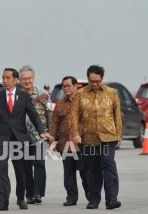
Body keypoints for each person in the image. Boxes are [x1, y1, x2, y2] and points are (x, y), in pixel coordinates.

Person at [0, 68, 54, 211]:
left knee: (20, 171)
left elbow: (34, 116)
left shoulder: (24, 97)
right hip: (3, 138)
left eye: (8, 78)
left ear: (15, 80)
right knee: (2, 168)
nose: (5, 81)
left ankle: (21, 198)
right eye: (3, 78)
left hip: (19, 139)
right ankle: (4, 202)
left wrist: (42, 132)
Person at [70, 65, 122, 210]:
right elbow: (73, 116)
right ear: (88, 78)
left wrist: (119, 136)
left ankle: (111, 200)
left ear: (102, 79)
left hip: (108, 137)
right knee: (92, 169)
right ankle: (93, 199)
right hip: (88, 138)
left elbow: (117, 115)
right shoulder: (80, 94)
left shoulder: (111, 93)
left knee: (108, 164)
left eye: (97, 81)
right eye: (92, 81)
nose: (95, 84)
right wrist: (75, 134)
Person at [49, 76, 89, 206]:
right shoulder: (60, 103)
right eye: (63, 86)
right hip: (66, 143)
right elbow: (55, 123)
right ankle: (71, 197)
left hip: (82, 143)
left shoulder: (84, 101)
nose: (65, 88)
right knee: (68, 172)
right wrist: (53, 140)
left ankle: (91, 196)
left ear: (75, 86)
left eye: (68, 85)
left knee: (85, 171)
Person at [18, 65, 51, 204]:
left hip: (40, 136)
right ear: (19, 80)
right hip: (22, 136)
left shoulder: (44, 94)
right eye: (24, 79)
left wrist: (50, 134)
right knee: (25, 166)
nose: (27, 81)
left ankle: (38, 193)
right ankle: (29, 194)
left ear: (34, 78)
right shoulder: (16, 95)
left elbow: (50, 115)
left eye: (29, 78)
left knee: (39, 163)